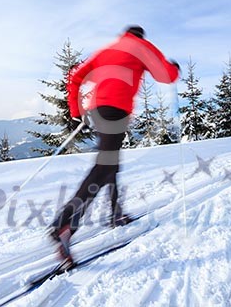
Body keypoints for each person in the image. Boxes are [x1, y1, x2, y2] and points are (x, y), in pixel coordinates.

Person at [49, 25, 180, 260]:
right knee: (104, 166)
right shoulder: (141, 46)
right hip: (117, 111)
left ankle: (116, 213)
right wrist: (175, 68)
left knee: (110, 163)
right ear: (140, 35)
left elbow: (76, 77)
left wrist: (76, 111)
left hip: (98, 110)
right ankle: (65, 223)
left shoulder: (106, 50)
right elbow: (165, 75)